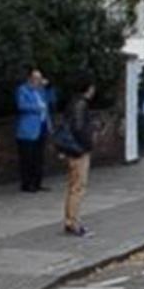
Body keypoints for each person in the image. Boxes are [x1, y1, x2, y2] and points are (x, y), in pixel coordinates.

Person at [63, 73, 96, 237]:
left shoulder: (73, 102)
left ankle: (70, 220)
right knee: (78, 186)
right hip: (79, 150)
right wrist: (87, 145)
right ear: (88, 88)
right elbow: (79, 128)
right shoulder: (81, 105)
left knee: (72, 186)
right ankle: (74, 223)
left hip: (71, 149)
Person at [16, 67, 54, 193]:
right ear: (30, 78)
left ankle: (37, 182)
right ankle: (27, 184)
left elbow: (52, 101)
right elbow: (22, 106)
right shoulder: (23, 90)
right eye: (36, 78)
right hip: (28, 129)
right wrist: (38, 108)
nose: (38, 80)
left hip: (41, 126)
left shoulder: (41, 91)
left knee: (39, 158)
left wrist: (48, 88)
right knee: (28, 158)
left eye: (40, 78)